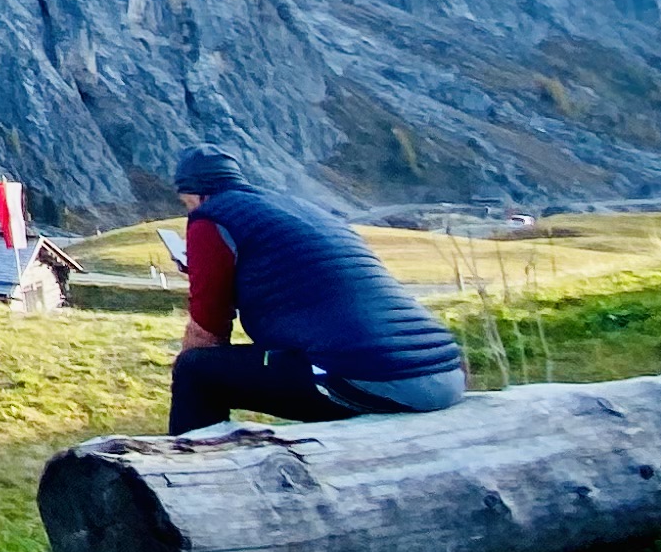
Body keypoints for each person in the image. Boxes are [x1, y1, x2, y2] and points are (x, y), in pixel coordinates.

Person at [163, 144, 465, 434]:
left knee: (195, 370)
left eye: (186, 205)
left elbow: (208, 333)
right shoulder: (300, 209)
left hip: (371, 378)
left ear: (196, 197)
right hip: (445, 373)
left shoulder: (211, 217)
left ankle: (191, 475)